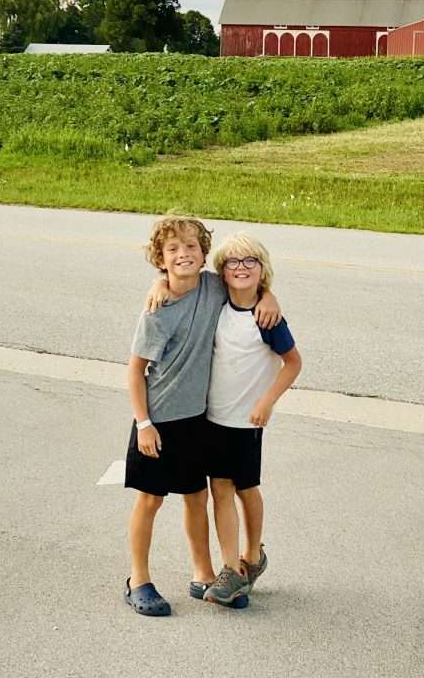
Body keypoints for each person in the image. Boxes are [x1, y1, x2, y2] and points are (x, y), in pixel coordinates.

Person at [124, 213, 281, 617]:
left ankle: (203, 573)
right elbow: (134, 370)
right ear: (160, 258)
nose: (183, 255)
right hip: (158, 421)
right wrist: (144, 423)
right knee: (151, 500)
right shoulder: (157, 308)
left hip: (198, 419)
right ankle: (138, 579)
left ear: (204, 253)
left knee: (196, 497)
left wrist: (269, 296)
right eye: (172, 249)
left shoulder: (213, 287)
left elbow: (248, 282)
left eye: (191, 247)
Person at [202, 233, 302, 607]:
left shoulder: (267, 316)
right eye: (232, 262)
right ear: (222, 271)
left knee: (246, 488)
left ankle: (253, 557)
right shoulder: (216, 302)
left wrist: (268, 401)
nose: (241, 268)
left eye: (250, 262)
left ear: (263, 271)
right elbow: (180, 279)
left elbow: (293, 363)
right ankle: (230, 568)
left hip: (247, 420)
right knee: (220, 489)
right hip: (214, 415)